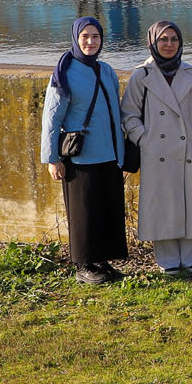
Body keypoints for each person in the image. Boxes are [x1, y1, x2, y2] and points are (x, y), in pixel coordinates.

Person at [120, 20, 192, 276]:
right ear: (152, 42)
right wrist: (145, 139)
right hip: (156, 151)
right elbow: (129, 114)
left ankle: (191, 256)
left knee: (190, 201)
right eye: (163, 39)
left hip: (187, 150)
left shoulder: (190, 74)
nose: (169, 44)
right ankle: (167, 258)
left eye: (174, 39)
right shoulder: (142, 75)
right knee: (162, 204)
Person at [40, 16, 127, 284]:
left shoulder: (107, 71)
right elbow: (51, 118)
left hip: (109, 154)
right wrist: (52, 159)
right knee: (84, 214)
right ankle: (84, 265)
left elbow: (116, 113)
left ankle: (102, 261)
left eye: (96, 36)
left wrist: (122, 155)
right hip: (80, 157)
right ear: (76, 39)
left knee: (107, 210)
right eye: (85, 37)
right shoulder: (64, 73)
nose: (90, 42)